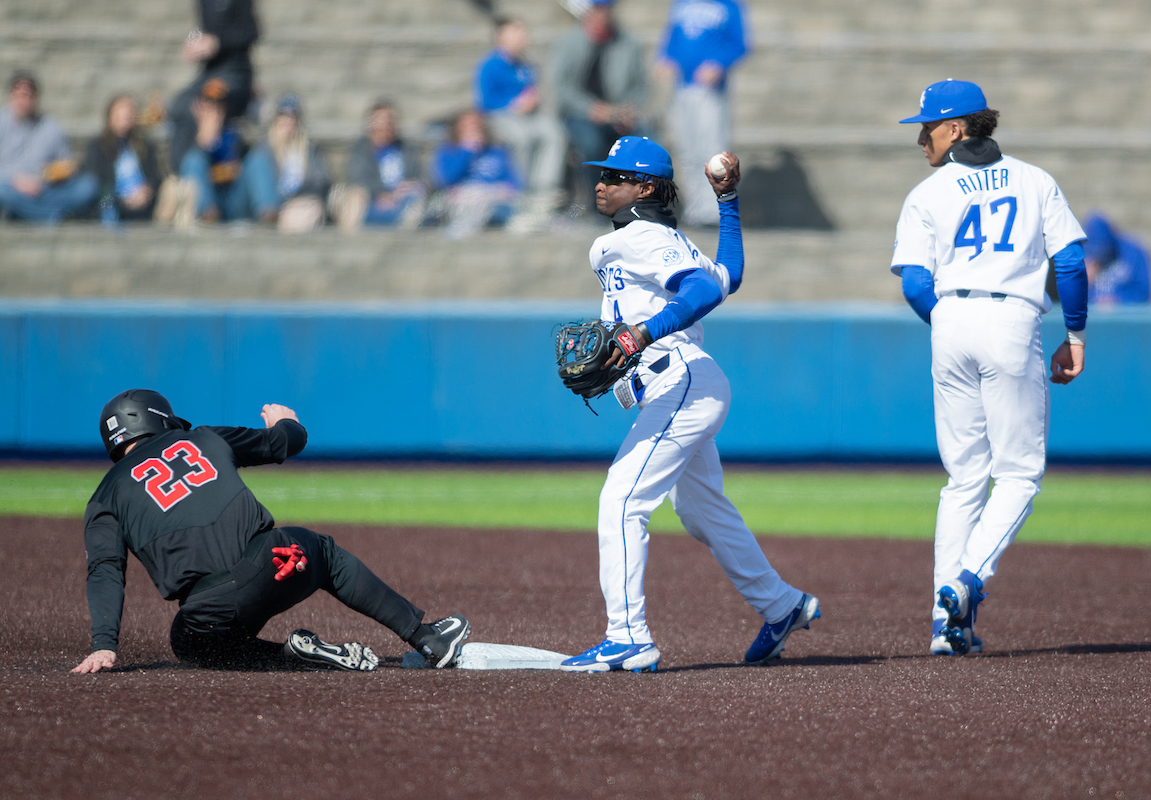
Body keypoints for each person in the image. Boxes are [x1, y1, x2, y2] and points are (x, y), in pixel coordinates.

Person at [558, 136, 820, 673]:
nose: (601, 183)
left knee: (622, 501)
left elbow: (702, 290)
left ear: (645, 186)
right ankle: (782, 605)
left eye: (615, 175)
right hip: (683, 384)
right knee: (701, 511)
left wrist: (639, 335)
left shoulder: (642, 236)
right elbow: (728, 277)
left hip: (678, 380)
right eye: (601, 174)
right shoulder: (660, 239)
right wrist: (728, 204)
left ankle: (628, 637)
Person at [889, 80, 1089, 656]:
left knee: (964, 478)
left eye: (926, 127)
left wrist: (952, 323)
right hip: (1011, 318)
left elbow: (915, 284)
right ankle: (966, 580)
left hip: (949, 318)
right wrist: (1074, 335)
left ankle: (945, 626)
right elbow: (1071, 264)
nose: (919, 137)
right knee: (1019, 474)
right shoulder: (1034, 180)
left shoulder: (928, 193)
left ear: (957, 128)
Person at [71, 389, 471, 674]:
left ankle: (291, 656)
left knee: (190, 642)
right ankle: (425, 636)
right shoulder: (200, 438)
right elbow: (284, 443)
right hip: (276, 564)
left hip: (212, 608)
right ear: (161, 420)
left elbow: (105, 572)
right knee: (325, 554)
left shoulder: (103, 497)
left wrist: (104, 645)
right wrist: (287, 422)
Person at [656, 0, 749, 228]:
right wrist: (665, 58)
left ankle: (713, 211)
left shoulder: (728, 6)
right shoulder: (682, 4)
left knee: (712, 150)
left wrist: (719, 64)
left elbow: (740, 44)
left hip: (710, 91)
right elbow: (672, 37)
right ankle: (696, 210)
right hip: (681, 87)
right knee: (687, 150)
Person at [550, 0, 651, 204]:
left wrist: (626, 109)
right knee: (591, 144)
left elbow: (641, 85)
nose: (601, 16)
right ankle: (598, 203)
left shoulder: (627, 43)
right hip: (580, 114)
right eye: (597, 11)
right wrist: (590, 108)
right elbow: (561, 86)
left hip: (618, 113)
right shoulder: (569, 42)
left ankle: (642, 202)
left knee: (645, 141)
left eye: (605, 11)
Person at [476, 16, 569, 227]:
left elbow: (534, 90)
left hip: (530, 116)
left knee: (554, 133)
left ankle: (545, 190)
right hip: (500, 116)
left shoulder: (526, 65)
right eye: (515, 33)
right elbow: (485, 101)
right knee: (522, 138)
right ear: (501, 38)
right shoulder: (489, 66)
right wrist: (514, 104)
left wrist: (533, 100)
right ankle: (521, 192)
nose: (522, 38)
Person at [167, 0, 259, 173]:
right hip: (210, 71)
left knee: (206, 106)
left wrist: (217, 42)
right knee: (178, 107)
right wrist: (194, 47)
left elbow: (251, 32)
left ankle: (196, 172)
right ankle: (180, 174)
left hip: (236, 70)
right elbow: (203, 31)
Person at [0, 71, 99, 223]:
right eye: (20, 95)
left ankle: (30, 214)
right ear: (10, 96)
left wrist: (54, 174)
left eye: (29, 95)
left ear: (36, 98)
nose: (24, 100)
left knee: (88, 186)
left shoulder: (50, 126)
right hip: (11, 186)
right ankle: (52, 217)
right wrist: (16, 180)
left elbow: (67, 163)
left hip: (45, 188)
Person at [177, 77, 274, 224]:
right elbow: (180, 168)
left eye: (219, 104)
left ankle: (268, 213)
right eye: (208, 103)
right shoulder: (185, 132)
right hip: (205, 200)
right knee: (193, 159)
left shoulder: (234, 131)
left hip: (234, 198)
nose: (214, 109)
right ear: (198, 105)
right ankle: (207, 216)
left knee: (258, 159)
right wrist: (201, 142)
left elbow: (248, 158)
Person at [331, 100, 426, 233]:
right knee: (353, 195)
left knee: (416, 196)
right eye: (380, 121)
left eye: (389, 121)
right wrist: (381, 193)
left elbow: (417, 177)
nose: (385, 126)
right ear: (371, 124)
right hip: (369, 202)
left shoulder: (407, 149)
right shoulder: (360, 149)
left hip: (401, 201)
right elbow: (357, 178)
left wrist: (398, 193)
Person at [430, 109, 521, 239]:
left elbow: (513, 179)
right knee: (473, 198)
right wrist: (467, 151)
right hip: (462, 200)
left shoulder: (496, 151)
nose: (475, 129)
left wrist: (508, 189)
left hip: (494, 199)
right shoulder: (449, 150)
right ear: (458, 128)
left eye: (477, 125)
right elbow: (446, 180)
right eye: (469, 125)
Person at [248, 93, 331, 233]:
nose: (288, 123)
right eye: (283, 117)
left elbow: (321, 180)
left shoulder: (310, 149)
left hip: (300, 203)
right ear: (275, 120)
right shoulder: (263, 149)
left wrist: (297, 196)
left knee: (309, 211)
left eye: (292, 118)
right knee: (256, 162)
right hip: (272, 205)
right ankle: (270, 215)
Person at [82, 94, 163, 223]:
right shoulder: (98, 146)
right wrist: (123, 199)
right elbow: (96, 182)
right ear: (110, 117)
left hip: (143, 201)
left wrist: (147, 191)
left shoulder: (144, 145)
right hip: (113, 202)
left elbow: (155, 176)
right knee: (106, 204)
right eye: (120, 116)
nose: (125, 120)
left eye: (128, 115)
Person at [1082, 212, 1151, 305]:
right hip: (1091, 317)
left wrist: (1117, 301)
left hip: (1126, 316)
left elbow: (1144, 293)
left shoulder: (1133, 252)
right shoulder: (1081, 255)